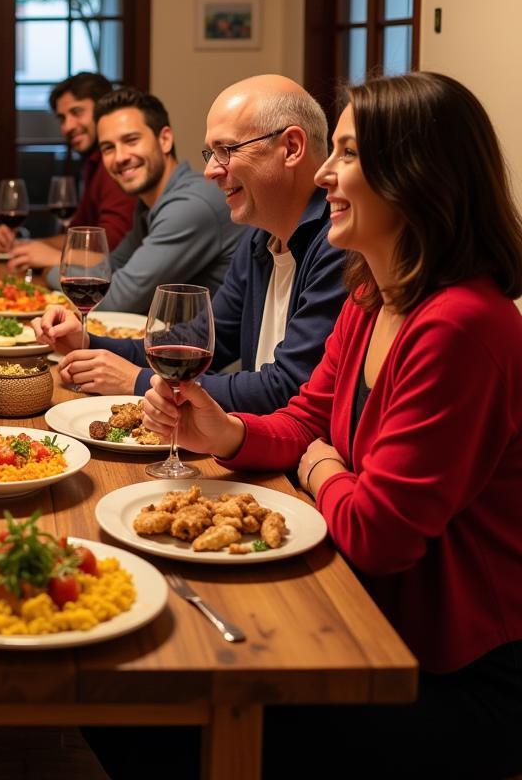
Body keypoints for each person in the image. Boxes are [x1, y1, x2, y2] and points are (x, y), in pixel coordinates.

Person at [124, 72, 522, 779]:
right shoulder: (372, 294)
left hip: (452, 671)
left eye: (347, 154)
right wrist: (229, 435)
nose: (327, 175)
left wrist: (318, 465)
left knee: (156, 715)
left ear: (415, 176)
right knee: (148, 688)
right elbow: (305, 415)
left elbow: (380, 533)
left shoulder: (462, 324)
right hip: (371, 620)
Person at [35, 75, 347, 412]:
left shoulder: (337, 245)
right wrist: (89, 341)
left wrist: (136, 381)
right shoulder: (260, 238)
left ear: (291, 148)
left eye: (226, 150)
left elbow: (286, 387)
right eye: (211, 153)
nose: (211, 170)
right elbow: (201, 342)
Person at [46, 86, 240, 313]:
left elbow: (118, 300)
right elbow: (109, 268)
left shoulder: (190, 206)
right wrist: (61, 272)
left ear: (165, 139)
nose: (119, 157)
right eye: (108, 148)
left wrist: (52, 270)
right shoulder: (149, 203)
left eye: (131, 140)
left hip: (210, 347)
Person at [0, 72, 136, 268]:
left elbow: (109, 246)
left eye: (77, 112)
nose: (67, 126)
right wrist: (27, 246)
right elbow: (75, 236)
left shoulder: (116, 166)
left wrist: (48, 255)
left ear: (103, 109)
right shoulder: (93, 163)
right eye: (62, 118)